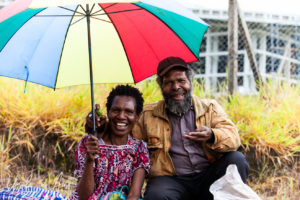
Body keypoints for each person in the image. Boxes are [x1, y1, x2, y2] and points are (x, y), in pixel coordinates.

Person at [86, 57, 249, 200]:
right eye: (169, 83)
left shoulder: (209, 107)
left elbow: (233, 137)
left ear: (190, 82)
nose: (176, 87)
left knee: (236, 160)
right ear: (161, 86)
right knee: (157, 194)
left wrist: (212, 134)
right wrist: (99, 127)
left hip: (208, 176)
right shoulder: (148, 115)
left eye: (181, 81)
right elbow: (122, 134)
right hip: (171, 180)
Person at [71, 85, 150, 200]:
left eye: (129, 111)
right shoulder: (89, 143)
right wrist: (89, 160)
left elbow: (134, 194)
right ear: (108, 112)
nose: (121, 116)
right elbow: (83, 197)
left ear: (137, 117)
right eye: (116, 110)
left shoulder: (139, 148)